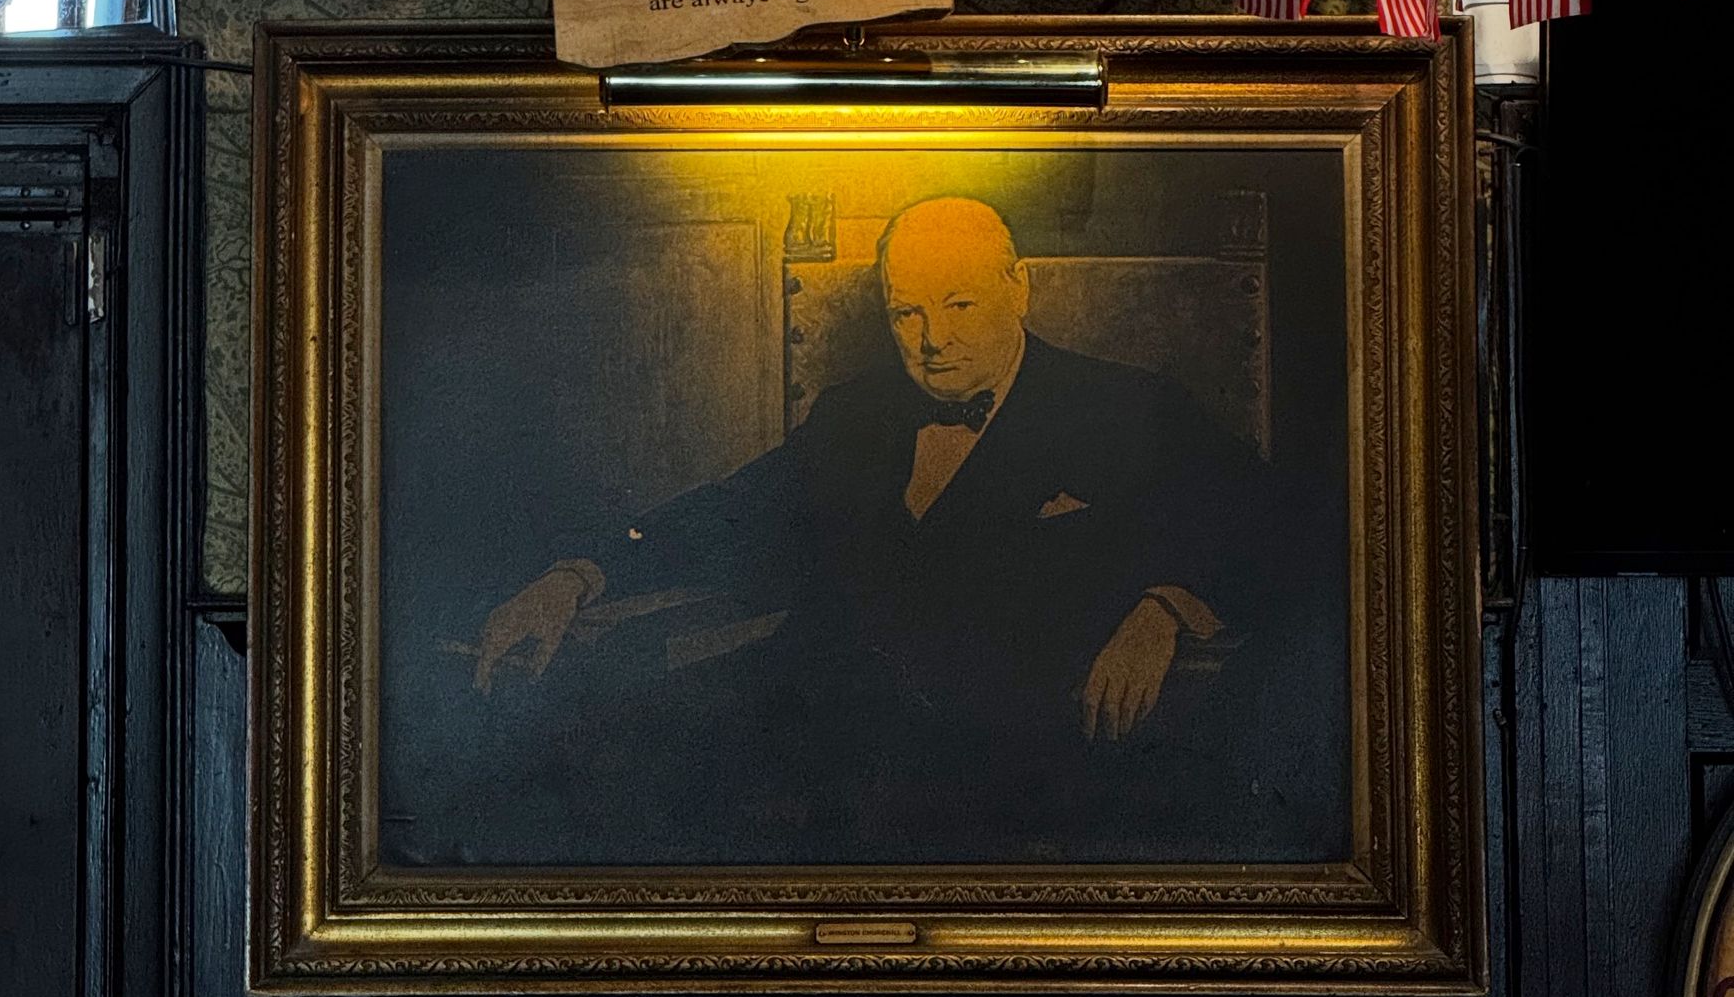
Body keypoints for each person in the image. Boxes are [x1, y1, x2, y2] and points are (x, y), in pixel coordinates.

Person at [465, 196, 1318, 862]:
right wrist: (578, 576)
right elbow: (733, 511)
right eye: (906, 312)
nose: (933, 340)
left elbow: (1275, 523)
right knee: (575, 754)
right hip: (817, 715)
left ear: (1018, 287)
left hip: (1011, 749)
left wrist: (1165, 607)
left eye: (959, 304)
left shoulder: (1129, 406)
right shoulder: (854, 413)